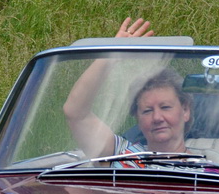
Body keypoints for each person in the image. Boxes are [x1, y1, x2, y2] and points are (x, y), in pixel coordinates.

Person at [62, 17, 197, 156]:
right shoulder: (120, 155)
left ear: (185, 111)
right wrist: (111, 54)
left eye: (165, 107)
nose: (157, 117)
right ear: (137, 118)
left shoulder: (206, 172)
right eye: (147, 111)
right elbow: (75, 111)